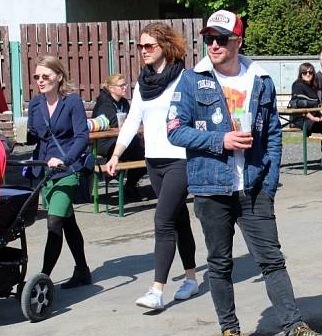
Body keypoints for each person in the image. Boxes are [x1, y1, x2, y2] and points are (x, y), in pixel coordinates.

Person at [167, 9, 322, 336]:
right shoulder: (191, 80)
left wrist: (270, 180)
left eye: (221, 39)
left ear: (238, 41)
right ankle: (230, 333)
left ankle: (295, 330)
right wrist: (220, 140)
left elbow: (273, 133)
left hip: (255, 186)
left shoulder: (260, 80)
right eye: (208, 39)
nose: (213, 45)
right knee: (219, 263)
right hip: (212, 187)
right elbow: (175, 131)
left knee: (272, 260)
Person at [106, 23, 199, 308]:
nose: (143, 51)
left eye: (149, 46)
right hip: (153, 160)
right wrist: (116, 155)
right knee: (178, 218)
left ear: (165, 47)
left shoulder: (184, 78)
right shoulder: (143, 83)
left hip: (179, 159)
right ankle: (192, 279)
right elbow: (133, 120)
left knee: (163, 220)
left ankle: (156, 291)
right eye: (140, 46)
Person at [27, 55, 92, 289]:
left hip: (68, 171)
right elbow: (35, 137)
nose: (40, 81)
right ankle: (82, 270)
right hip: (45, 173)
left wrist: (65, 159)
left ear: (59, 76)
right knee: (68, 222)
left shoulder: (72, 102)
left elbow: (82, 137)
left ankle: (42, 279)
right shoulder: (35, 104)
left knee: (54, 222)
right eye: (37, 77)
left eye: (46, 76)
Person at [91, 73, 146, 201]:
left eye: (125, 85)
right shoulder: (104, 104)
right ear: (111, 88)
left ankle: (129, 185)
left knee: (145, 154)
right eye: (121, 85)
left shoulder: (123, 102)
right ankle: (128, 186)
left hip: (118, 140)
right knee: (139, 152)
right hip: (103, 142)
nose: (125, 88)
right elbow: (113, 123)